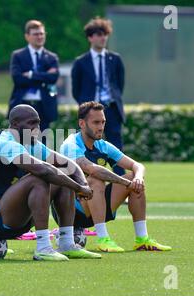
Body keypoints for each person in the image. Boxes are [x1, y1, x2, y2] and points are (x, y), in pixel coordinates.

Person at [0, 104, 101, 261]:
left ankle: (67, 243)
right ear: (15, 124)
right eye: (31, 123)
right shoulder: (5, 143)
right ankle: (43, 248)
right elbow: (43, 170)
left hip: (16, 216)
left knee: (62, 175)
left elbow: (67, 164)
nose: (37, 128)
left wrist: (83, 185)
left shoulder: (29, 143)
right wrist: (78, 188)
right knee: (39, 178)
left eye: (38, 123)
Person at [57, 101, 171, 252]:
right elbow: (92, 169)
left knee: (134, 179)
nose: (101, 127)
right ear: (82, 123)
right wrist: (124, 182)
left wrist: (138, 178)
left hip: (95, 206)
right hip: (71, 209)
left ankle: (142, 239)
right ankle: (103, 239)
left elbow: (138, 165)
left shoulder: (103, 145)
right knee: (95, 180)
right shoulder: (71, 144)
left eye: (103, 122)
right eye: (96, 122)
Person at [71, 17, 126, 176]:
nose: (103, 38)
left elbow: (119, 85)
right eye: (99, 34)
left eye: (105, 34)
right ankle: (87, 184)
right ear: (90, 37)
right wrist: (87, 107)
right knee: (87, 147)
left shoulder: (115, 59)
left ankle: (120, 186)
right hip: (89, 111)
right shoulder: (81, 62)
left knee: (116, 148)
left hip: (112, 109)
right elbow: (76, 90)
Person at [8, 20, 59, 132]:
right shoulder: (18, 56)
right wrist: (44, 76)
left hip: (44, 107)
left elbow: (53, 78)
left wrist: (31, 75)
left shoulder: (52, 57)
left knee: (42, 144)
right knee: (22, 143)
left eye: (42, 33)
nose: (39, 37)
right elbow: (18, 79)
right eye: (36, 34)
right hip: (23, 105)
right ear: (27, 36)